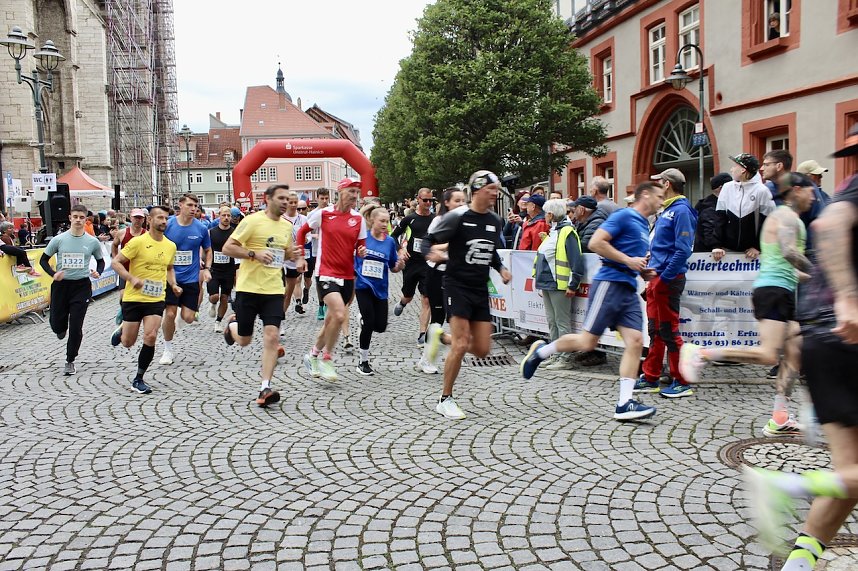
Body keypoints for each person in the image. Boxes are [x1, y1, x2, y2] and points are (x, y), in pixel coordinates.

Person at [743, 128, 858, 570]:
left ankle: (800, 560)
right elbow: (830, 226)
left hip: (824, 338)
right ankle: (785, 485)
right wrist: (846, 296)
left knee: (849, 473)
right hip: (843, 336)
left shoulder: (844, 190)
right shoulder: (841, 200)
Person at [681, 172, 816, 436]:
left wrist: (809, 277)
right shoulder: (787, 217)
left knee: (794, 354)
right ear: (797, 190)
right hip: (773, 291)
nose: (813, 195)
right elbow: (789, 253)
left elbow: (782, 263)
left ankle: (779, 417)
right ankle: (702, 353)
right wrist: (822, 275)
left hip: (781, 288)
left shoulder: (784, 217)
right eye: (810, 189)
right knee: (768, 355)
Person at [521, 181, 666, 421]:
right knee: (588, 342)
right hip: (609, 284)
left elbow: (630, 256)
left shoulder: (643, 224)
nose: (662, 200)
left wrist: (641, 270)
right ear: (646, 195)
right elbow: (596, 243)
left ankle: (624, 403)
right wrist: (629, 261)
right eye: (659, 195)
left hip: (628, 288)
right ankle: (541, 352)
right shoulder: (624, 216)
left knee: (636, 341)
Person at [419, 170, 512, 420]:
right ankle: (445, 398)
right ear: (478, 189)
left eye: (497, 189)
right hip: (456, 285)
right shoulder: (458, 218)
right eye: (491, 189)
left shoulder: (495, 220)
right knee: (462, 345)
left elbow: (490, 250)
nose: (495, 193)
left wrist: (500, 267)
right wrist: (432, 254)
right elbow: (427, 241)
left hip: (479, 288)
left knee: (482, 349)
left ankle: (441, 337)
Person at [221, 184, 296, 407]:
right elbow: (228, 247)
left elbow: (286, 253)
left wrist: (296, 257)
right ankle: (232, 327)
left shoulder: (286, 226)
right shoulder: (251, 221)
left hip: (273, 289)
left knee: (272, 337)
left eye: (287, 198)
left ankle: (265, 387)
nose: (285, 202)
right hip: (248, 288)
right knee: (244, 340)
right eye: (281, 198)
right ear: (267, 199)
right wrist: (253, 253)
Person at [296, 178, 368, 383]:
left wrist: (361, 252)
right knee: (339, 313)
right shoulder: (323, 214)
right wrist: (301, 257)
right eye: (351, 191)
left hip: (347, 275)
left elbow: (360, 247)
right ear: (340, 192)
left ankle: (312, 355)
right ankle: (328, 358)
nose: (355, 196)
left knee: (331, 322)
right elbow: (302, 233)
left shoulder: (358, 219)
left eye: (357, 192)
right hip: (326, 272)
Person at [636, 168, 697, 397]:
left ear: (667, 184)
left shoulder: (681, 210)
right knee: (656, 331)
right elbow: (662, 247)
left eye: (659, 182)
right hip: (657, 279)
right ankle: (651, 377)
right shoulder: (667, 210)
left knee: (669, 331)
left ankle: (682, 381)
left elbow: (683, 251)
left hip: (666, 280)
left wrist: (665, 278)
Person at [110, 205, 180, 394]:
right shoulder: (137, 243)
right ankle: (123, 330)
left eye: (166, 218)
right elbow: (115, 263)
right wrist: (131, 279)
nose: (163, 221)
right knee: (128, 342)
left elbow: (170, 268)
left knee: (150, 336)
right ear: (150, 220)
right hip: (134, 298)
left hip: (156, 298)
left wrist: (173, 284)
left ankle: (139, 378)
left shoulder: (170, 245)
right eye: (159, 218)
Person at [39, 204, 104, 376]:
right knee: (57, 324)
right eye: (75, 217)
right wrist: (54, 274)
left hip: (81, 286)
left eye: (81, 217)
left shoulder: (92, 241)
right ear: (70, 218)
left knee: (76, 326)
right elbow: (43, 260)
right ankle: (59, 329)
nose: (78, 220)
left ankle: (70, 360)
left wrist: (99, 271)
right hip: (61, 286)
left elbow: (101, 261)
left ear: (86, 220)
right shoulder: (59, 240)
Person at [532, 198, 585, 371]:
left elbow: (576, 260)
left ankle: (566, 356)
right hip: (549, 283)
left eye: (547, 213)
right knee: (552, 321)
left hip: (558, 284)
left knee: (561, 323)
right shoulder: (555, 231)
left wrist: (573, 283)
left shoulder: (567, 231)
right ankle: (555, 353)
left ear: (551, 214)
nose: (545, 216)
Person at [160, 193, 212, 365]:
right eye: (189, 205)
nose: (193, 209)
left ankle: (182, 315)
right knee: (169, 313)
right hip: (170, 277)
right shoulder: (168, 225)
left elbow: (208, 250)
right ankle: (167, 350)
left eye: (195, 206)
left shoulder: (201, 228)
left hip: (191, 279)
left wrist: (206, 269)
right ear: (180, 205)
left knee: (189, 317)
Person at [420, 187, 467, 374]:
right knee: (438, 318)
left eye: (463, 201)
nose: (461, 204)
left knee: (457, 317)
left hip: (456, 275)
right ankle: (427, 359)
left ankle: (453, 352)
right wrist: (451, 246)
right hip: (437, 274)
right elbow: (430, 246)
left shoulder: (467, 222)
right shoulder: (439, 221)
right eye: (457, 201)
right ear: (446, 203)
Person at [354, 206, 404, 375]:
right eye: (381, 221)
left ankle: (364, 320)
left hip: (381, 289)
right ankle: (363, 361)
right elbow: (352, 257)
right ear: (372, 221)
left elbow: (393, 267)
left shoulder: (389, 242)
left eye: (387, 221)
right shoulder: (363, 238)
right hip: (363, 285)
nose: (385, 224)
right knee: (369, 323)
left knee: (381, 326)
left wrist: (399, 265)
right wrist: (358, 255)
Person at [391, 187, 435, 346]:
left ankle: (422, 334)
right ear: (418, 199)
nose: (429, 203)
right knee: (408, 296)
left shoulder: (435, 219)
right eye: (426, 200)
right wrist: (400, 249)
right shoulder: (409, 219)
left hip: (427, 263)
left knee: (426, 299)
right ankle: (402, 303)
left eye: (431, 200)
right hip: (411, 263)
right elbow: (393, 237)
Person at [712, 153, 775, 261]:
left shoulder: (762, 190)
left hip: (753, 253)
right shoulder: (727, 188)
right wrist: (716, 245)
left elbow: (769, 222)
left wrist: (758, 247)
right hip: (727, 250)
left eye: (735, 166)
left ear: (743, 170)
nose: (732, 169)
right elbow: (719, 218)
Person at [571, 195, 609, 367]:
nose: (572, 211)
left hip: (596, 273)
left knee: (595, 315)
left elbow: (586, 244)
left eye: (575, 208)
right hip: (588, 274)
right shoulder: (582, 223)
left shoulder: (596, 222)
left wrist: (570, 244)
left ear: (582, 209)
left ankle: (598, 353)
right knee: (588, 315)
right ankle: (588, 349)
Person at [280, 190, 308, 328]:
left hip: (294, 259)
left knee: (288, 292)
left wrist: (305, 240)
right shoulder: (280, 218)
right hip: (280, 259)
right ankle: (276, 321)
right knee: (279, 290)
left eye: (295, 202)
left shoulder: (303, 220)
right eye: (290, 202)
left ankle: (280, 316)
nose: (292, 205)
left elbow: (307, 237)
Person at [207, 206, 237, 332]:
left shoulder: (235, 233)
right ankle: (213, 303)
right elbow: (207, 250)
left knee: (225, 297)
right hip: (214, 269)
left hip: (228, 270)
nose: (226, 218)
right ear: (219, 216)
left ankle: (218, 322)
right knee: (214, 296)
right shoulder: (211, 232)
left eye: (228, 216)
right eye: (223, 215)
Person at [694, 173, 732, 253]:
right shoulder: (710, 207)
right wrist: (716, 246)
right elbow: (710, 232)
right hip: (710, 256)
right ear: (721, 188)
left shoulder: (707, 205)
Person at [308, 188, 330, 321]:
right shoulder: (313, 214)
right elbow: (305, 232)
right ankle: (321, 304)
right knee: (319, 280)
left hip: (331, 251)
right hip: (317, 251)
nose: (324, 201)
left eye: (326, 198)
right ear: (317, 199)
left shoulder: (333, 210)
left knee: (331, 278)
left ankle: (328, 303)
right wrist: (314, 235)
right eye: (322, 198)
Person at [296, 199, 313, 314]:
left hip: (308, 251)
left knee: (307, 279)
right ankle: (298, 302)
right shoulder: (292, 220)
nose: (301, 211)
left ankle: (306, 289)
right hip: (297, 252)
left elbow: (311, 235)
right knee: (297, 279)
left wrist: (307, 239)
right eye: (298, 209)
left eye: (303, 208)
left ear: (307, 208)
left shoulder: (309, 220)